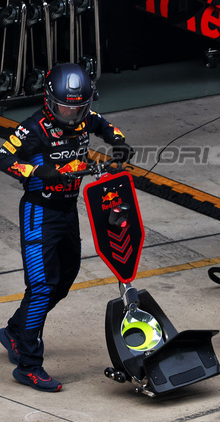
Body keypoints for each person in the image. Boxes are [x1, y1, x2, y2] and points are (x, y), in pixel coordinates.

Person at [0, 64, 132, 391]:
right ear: (48, 101)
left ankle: (15, 331)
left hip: (68, 210)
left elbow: (104, 126)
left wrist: (119, 141)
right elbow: (2, 156)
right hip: (39, 212)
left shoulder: (85, 116)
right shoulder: (33, 128)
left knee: (66, 277)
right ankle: (28, 365)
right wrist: (33, 171)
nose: (71, 116)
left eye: (78, 108)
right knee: (42, 287)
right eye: (64, 108)